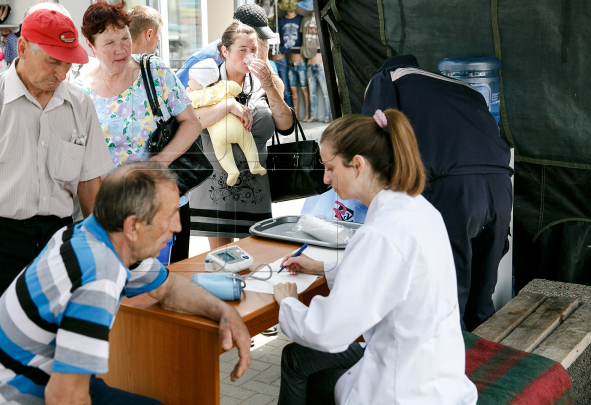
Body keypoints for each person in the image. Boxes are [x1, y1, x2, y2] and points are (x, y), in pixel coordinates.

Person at [0, 161, 252, 405]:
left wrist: (226, 313)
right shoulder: (99, 274)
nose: (178, 226)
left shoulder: (94, 236)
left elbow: (168, 288)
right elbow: (64, 398)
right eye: (170, 215)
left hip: (25, 384)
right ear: (132, 227)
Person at [273, 110, 478, 404]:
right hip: (435, 370)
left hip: (405, 389)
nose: (325, 178)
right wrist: (323, 267)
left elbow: (327, 331)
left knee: (306, 368)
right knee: (303, 364)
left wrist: (288, 303)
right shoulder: (417, 208)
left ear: (358, 165)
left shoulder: (380, 234)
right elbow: (390, 273)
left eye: (330, 168)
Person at [0, 7, 113, 316]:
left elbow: (90, 184)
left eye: (67, 64)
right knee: (0, 347)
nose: (61, 73)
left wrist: (102, 250)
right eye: (52, 61)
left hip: (59, 238)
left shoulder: (79, 104)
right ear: (21, 48)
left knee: (56, 341)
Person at [361, 54, 513, 331]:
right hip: (501, 183)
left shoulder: (387, 78)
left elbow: (376, 141)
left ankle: (450, 370)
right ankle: (486, 370)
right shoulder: (455, 86)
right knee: (481, 302)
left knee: (449, 300)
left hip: (455, 188)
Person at [70, 1, 200, 264]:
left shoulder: (155, 71)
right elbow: (79, 155)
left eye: (125, 38)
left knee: (169, 283)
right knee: (125, 293)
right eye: (109, 43)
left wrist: (158, 162)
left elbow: (192, 123)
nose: (121, 50)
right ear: (90, 45)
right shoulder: (79, 90)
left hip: (164, 203)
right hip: (115, 211)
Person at [189, 20, 294, 250]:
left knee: (255, 257)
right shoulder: (207, 79)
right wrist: (227, 105)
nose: (249, 55)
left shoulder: (264, 81)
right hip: (215, 185)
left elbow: (286, 126)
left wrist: (269, 85)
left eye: (254, 49)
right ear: (225, 51)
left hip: (255, 186)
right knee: (222, 259)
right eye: (242, 50)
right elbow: (191, 123)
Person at [187, 58, 266, 186]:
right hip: (239, 127)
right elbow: (236, 89)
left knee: (222, 151)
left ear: (201, 83)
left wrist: (189, 93)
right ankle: (255, 165)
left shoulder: (196, 96)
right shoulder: (224, 85)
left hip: (219, 134)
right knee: (248, 142)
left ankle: (232, 171)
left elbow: (189, 107)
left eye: (191, 79)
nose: (188, 82)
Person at [176, 4, 281, 91]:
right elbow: (177, 94)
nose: (260, 43)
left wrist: (265, 60)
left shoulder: (259, 55)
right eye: (258, 37)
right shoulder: (206, 57)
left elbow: (279, 94)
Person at [300, 11, 330, 123]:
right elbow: (302, 37)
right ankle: (313, 115)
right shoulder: (306, 19)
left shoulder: (323, 18)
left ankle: (327, 115)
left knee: (326, 92)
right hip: (309, 64)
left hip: (320, 64)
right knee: (311, 93)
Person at [278, 8, 308, 118]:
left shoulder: (301, 19)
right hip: (289, 61)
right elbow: (278, 38)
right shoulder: (281, 21)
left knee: (304, 89)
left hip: (301, 60)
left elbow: (305, 37)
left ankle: (307, 115)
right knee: (291, 90)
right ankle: (295, 115)